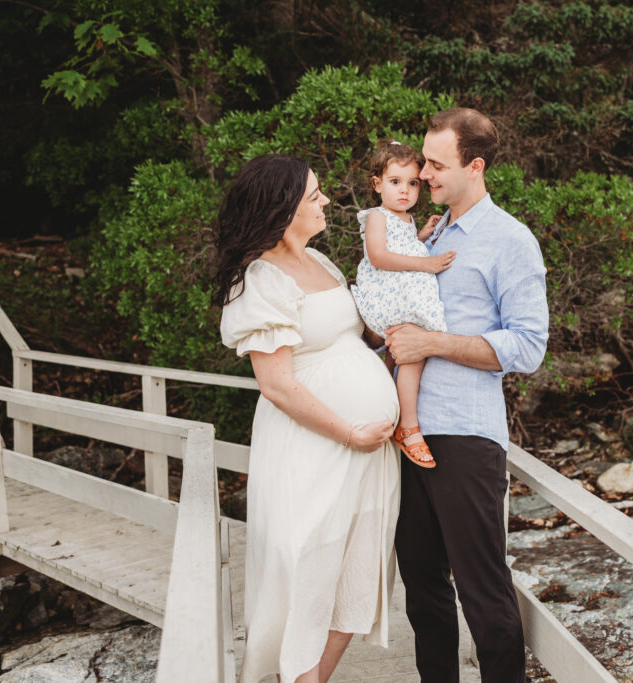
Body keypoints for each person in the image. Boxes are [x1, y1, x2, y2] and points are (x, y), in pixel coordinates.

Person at [215, 154, 400, 683]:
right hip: (315, 446)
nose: (324, 202)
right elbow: (276, 383)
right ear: (282, 206)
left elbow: (360, 335)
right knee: (309, 567)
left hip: (370, 449)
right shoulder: (259, 278)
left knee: (357, 572)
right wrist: (349, 431)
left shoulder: (324, 264)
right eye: (313, 195)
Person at [385, 108, 549, 682]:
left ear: (474, 166)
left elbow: (528, 347)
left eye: (436, 164)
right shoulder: (422, 234)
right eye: (424, 162)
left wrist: (434, 343)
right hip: (406, 436)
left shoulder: (511, 240)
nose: (424, 173)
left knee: (483, 592)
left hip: (465, 434)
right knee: (424, 593)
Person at [350, 139, 457, 469]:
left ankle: (389, 414)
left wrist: (421, 237)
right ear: (377, 184)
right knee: (414, 351)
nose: (405, 191)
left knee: (406, 356)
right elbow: (379, 256)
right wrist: (426, 263)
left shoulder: (406, 221)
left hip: (402, 294)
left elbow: (404, 249)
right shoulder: (377, 217)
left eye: (412, 183)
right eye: (395, 182)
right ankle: (408, 425)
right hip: (386, 295)